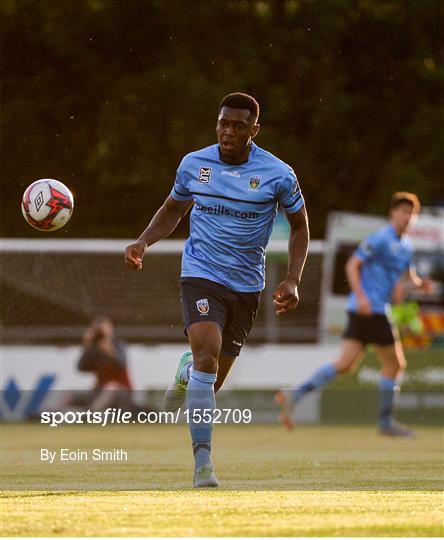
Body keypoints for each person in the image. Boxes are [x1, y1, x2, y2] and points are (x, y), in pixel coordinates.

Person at [125, 92, 309, 487]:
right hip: (201, 274)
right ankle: (203, 463)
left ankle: (186, 372)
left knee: (209, 378)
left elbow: (300, 227)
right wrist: (143, 241)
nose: (228, 131)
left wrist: (293, 278)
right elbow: (174, 208)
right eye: (223, 123)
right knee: (208, 358)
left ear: (254, 130)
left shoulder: (278, 174)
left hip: (245, 286)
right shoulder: (194, 164)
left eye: (238, 126)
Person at [276, 192, 432, 437]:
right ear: (393, 214)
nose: (407, 217)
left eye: (411, 213)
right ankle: (385, 423)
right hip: (371, 310)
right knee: (395, 364)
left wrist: (420, 285)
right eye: (403, 211)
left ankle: (294, 395)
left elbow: (407, 280)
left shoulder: (406, 247)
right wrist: (361, 297)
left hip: (369, 311)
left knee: (345, 364)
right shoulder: (381, 238)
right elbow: (352, 264)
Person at [78, 316, 133, 410]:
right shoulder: (94, 349)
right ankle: (58, 416)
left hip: (121, 389)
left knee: (111, 387)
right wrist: (86, 346)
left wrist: (110, 351)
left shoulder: (118, 345)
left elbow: (122, 364)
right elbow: (81, 367)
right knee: (71, 394)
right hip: (99, 389)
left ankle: (91, 413)